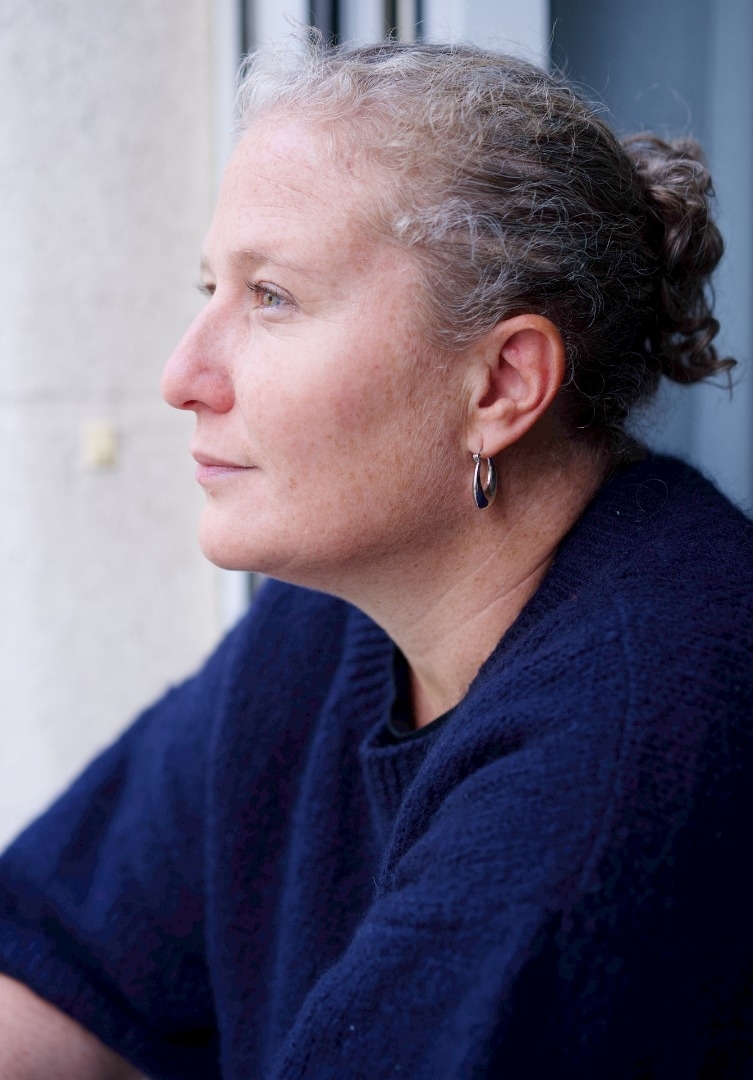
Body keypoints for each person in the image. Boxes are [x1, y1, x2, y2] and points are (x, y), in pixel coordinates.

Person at [1, 34, 752, 1080]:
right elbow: (56, 967)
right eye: (210, 287)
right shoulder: (344, 614)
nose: (182, 375)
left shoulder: (620, 758)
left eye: (271, 297)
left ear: (501, 385)